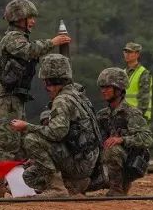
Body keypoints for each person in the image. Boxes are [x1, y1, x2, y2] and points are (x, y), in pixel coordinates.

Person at [0, 0, 70, 197]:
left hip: (13, 97)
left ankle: (16, 185)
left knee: (19, 143)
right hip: (7, 98)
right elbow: (29, 51)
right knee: (7, 143)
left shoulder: (19, 37)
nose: (33, 21)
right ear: (18, 19)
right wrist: (53, 42)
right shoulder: (13, 38)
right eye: (29, 17)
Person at [8, 53, 101, 196]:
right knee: (30, 175)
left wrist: (26, 127)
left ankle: (57, 189)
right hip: (88, 160)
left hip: (80, 164)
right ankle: (72, 185)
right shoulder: (77, 93)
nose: (46, 87)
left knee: (31, 139)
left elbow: (56, 133)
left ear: (51, 81)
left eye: (46, 82)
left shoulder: (62, 100)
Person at [95, 67, 152, 195]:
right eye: (102, 87)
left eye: (108, 87)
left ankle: (117, 188)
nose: (103, 91)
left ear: (119, 90)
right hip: (108, 160)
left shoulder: (131, 113)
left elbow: (147, 138)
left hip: (130, 161)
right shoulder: (102, 115)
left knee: (112, 149)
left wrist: (122, 140)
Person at [123, 42, 153, 121]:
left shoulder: (144, 73)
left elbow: (144, 100)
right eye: (125, 52)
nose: (127, 54)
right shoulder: (122, 73)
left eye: (130, 52)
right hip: (124, 116)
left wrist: (137, 117)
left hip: (139, 118)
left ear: (137, 54)